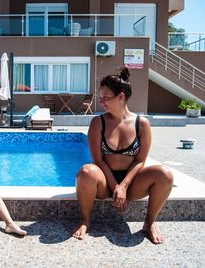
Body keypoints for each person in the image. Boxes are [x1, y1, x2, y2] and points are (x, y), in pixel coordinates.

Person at [72, 67, 173, 244]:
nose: (101, 102)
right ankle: (85, 220)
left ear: (120, 97)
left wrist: (124, 186)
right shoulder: (98, 123)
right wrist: (115, 186)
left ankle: (149, 223)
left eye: (106, 97)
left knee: (165, 174)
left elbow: (140, 160)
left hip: (132, 183)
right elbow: (99, 160)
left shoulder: (141, 124)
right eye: (100, 97)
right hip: (104, 181)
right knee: (86, 172)